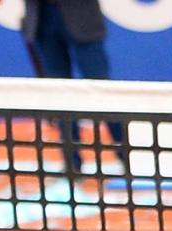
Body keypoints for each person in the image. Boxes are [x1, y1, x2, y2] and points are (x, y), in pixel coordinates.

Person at [20, 0, 127, 177]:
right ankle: (71, 164)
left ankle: (125, 156)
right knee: (59, 94)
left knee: (102, 89)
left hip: (82, 18)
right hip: (42, 19)